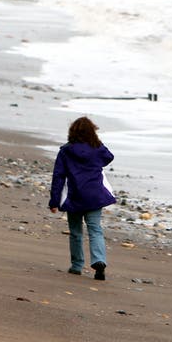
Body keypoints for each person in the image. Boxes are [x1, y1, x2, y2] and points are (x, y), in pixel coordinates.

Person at [48, 116, 117, 280]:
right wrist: (96, 142)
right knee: (95, 230)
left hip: (75, 196)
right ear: (92, 132)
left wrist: (54, 201)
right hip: (94, 195)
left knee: (76, 232)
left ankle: (77, 265)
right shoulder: (98, 149)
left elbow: (58, 177)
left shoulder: (65, 151)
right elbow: (109, 157)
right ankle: (99, 260)